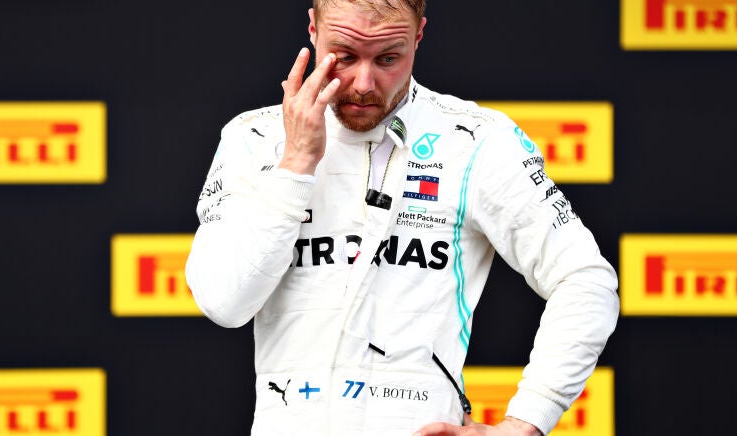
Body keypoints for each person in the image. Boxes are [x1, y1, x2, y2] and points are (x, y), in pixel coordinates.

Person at [185, 0, 619, 434]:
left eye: (388, 58)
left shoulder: (476, 141)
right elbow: (223, 302)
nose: (363, 84)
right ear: (313, 29)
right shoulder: (253, 138)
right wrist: (296, 164)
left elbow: (585, 278)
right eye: (345, 56)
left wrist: (526, 422)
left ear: (419, 36)